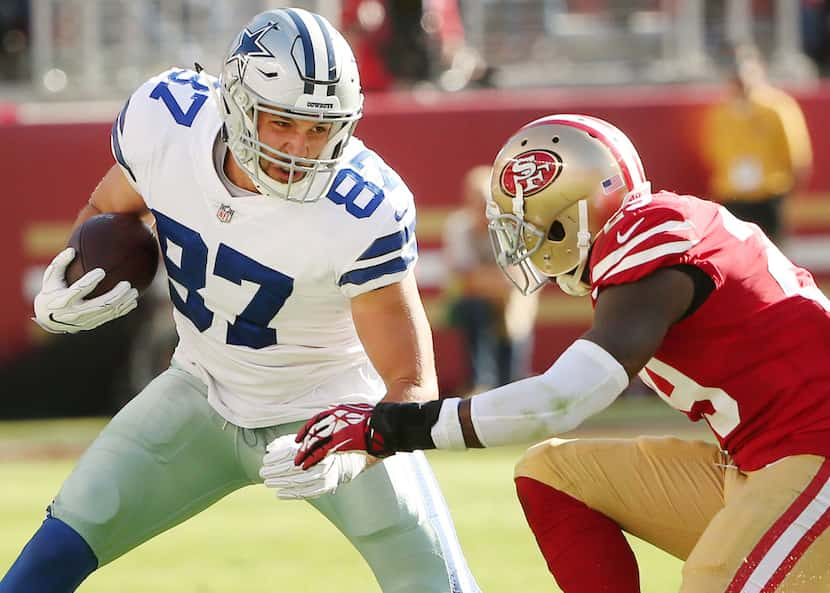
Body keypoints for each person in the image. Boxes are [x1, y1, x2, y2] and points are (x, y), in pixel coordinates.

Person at [0, 8, 483, 593]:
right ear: (235, 100)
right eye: (281, 121)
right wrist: (70, 278)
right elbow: (108, 212)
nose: (301, 147)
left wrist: (360, 449)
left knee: (437, 586)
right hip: (200, 392)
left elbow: (412, 382)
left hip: (329, 411)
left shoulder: (364, 206)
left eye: (319, 127)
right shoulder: (168, 121)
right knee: (49, 555)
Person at [292, 114, 830, 592]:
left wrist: (396, 426)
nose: (521, 242)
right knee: (553, 476)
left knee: (712, 584)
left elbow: (562, 398)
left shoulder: (651, 238)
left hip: (814, 454)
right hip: (758, 462)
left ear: (569, 214)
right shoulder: (662, 232)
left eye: (527, 222)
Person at [700, 42, 812, 245]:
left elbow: (798, 159)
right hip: (733, 198)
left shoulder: (778, 107)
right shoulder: (721, 114)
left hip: (768, 197)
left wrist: (787, 201)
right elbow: (715, 155)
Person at [443, 165, 537, 393]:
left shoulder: (511, 225)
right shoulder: (459, 226)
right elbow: (464, 279)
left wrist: (486, 282)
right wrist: (495, 284)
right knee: (476, 309)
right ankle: (481, 382)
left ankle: (511, 382)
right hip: (472, 301)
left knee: (516, 311)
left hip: (509, 299)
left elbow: (518, 279)